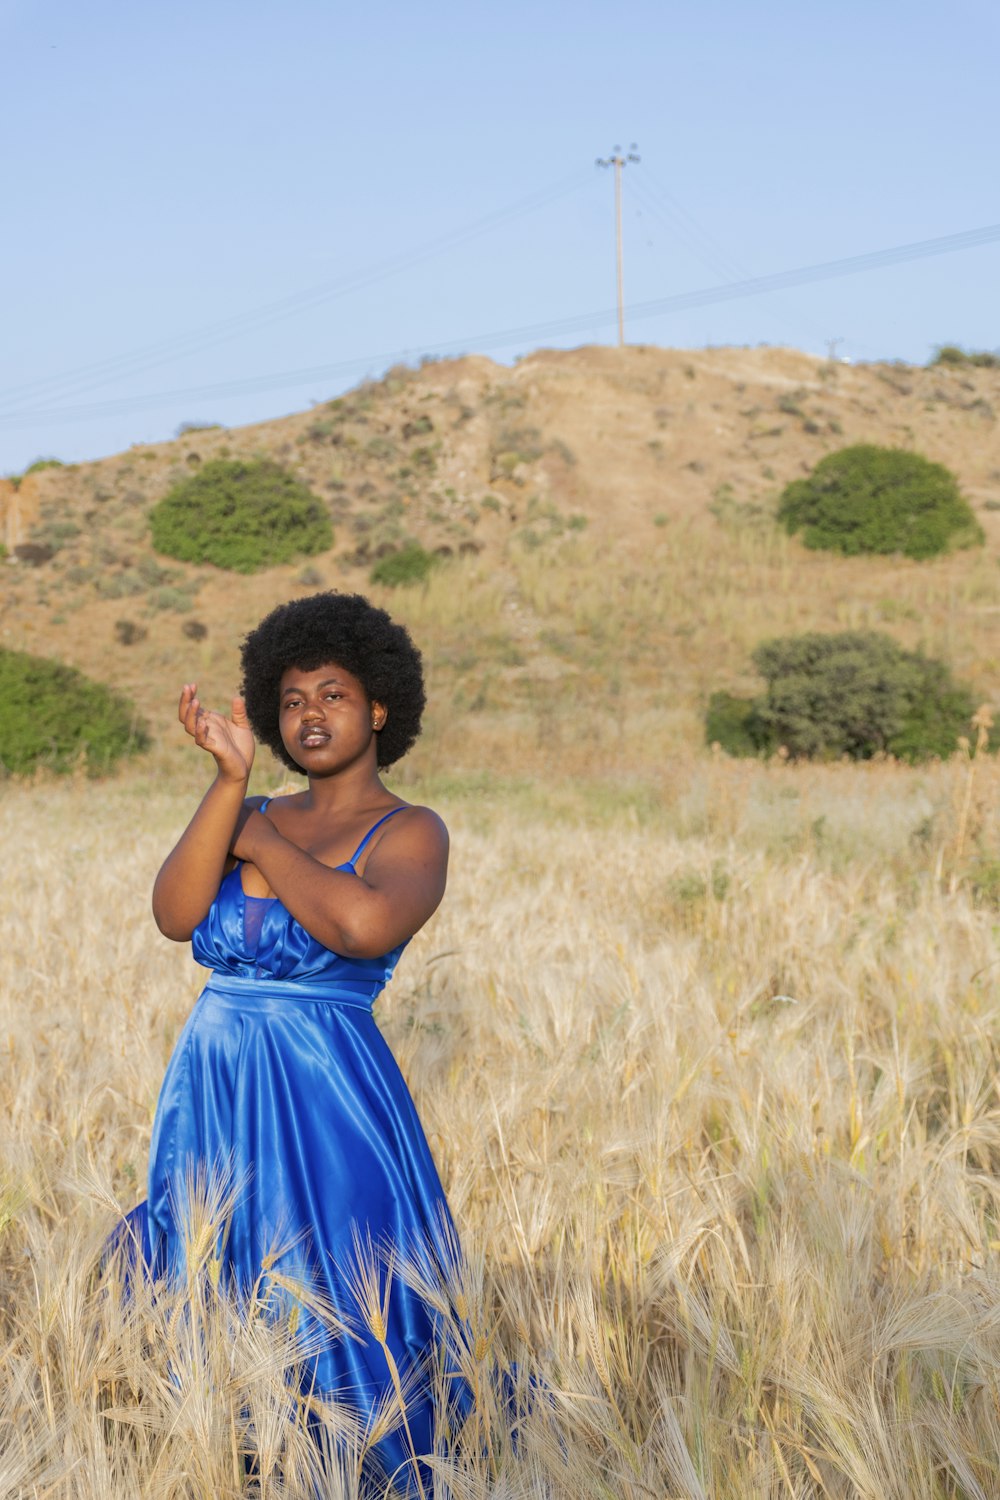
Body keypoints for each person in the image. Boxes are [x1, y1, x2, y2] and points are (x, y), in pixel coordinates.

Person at [124, 590, 464, 1490]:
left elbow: (362, 925)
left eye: (334, 694)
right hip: (216, 1079)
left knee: (338, 1278)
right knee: (215, 1259)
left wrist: (267, 845)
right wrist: (230, 782)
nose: (310, 714)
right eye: (292, 701)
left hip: (329, 1090)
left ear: (381, 706)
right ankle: (225, 1448)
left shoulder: (411, 829)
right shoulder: (250, 803)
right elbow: (174, 913)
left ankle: (351, 1453)